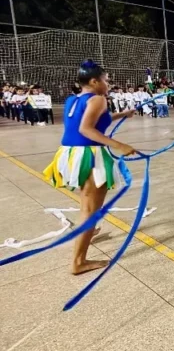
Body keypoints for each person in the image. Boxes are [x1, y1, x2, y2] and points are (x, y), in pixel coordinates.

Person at [43, 60, 137, 275]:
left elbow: (92, 122)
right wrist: (120, 145)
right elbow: (87, 129)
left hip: (70, 154)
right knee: (90, 209)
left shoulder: (73, 100)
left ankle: (89, 232)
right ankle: (78, 262)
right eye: (106, 80)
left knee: (87, 202)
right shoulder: (98, 99)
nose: (108, 83)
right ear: (94, 81)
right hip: (89, 155)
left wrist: (122, 114)